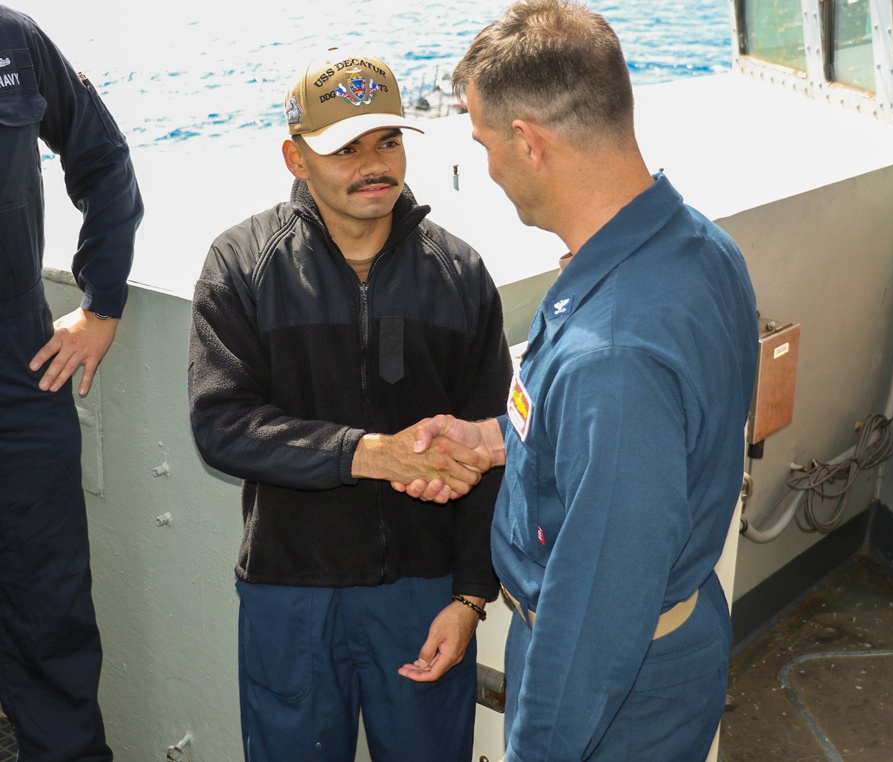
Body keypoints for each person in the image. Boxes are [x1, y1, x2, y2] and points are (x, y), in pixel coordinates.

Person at [398, 2, 759, 759]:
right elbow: (625, 447)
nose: (487, 166)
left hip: (612, 692)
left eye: (484, 142)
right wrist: (494, 440)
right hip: (672, 641)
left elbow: (598, 607)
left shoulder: (613, 351)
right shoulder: (696, 247)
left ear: (527, 143)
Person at [187, 48, 512, 762]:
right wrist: (371, 455)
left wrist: (469, 600)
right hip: (289, 589)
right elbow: (221, 424)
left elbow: (498, 447)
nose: (376, 164)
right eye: (346, 148)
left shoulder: (459, 274)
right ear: (295, 157)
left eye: (389, 140)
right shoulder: (241, 265)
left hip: (425, 593)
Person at [0, 6, 143, 761]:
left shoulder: (13, 39)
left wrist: (103, 301)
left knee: (50, 620)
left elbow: (103, 159)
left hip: (15, 377)